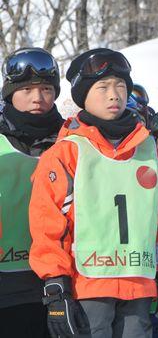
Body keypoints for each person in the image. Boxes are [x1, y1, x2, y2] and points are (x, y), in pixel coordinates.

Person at [28, 48, 158, 338]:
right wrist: (56, 289)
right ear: (83, 96)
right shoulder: (66, 154)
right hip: (86, 289)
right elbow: (48, 227)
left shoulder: (149, 151)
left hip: (139, 287)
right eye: (103, 87)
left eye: (120, 87)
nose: (114, 95)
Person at [0, 47, 65, 338]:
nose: (38, 98)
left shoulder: (73, 142)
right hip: (7, 286)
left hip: (62, 285)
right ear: (9, 93)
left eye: (46, 89)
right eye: (27, 89)